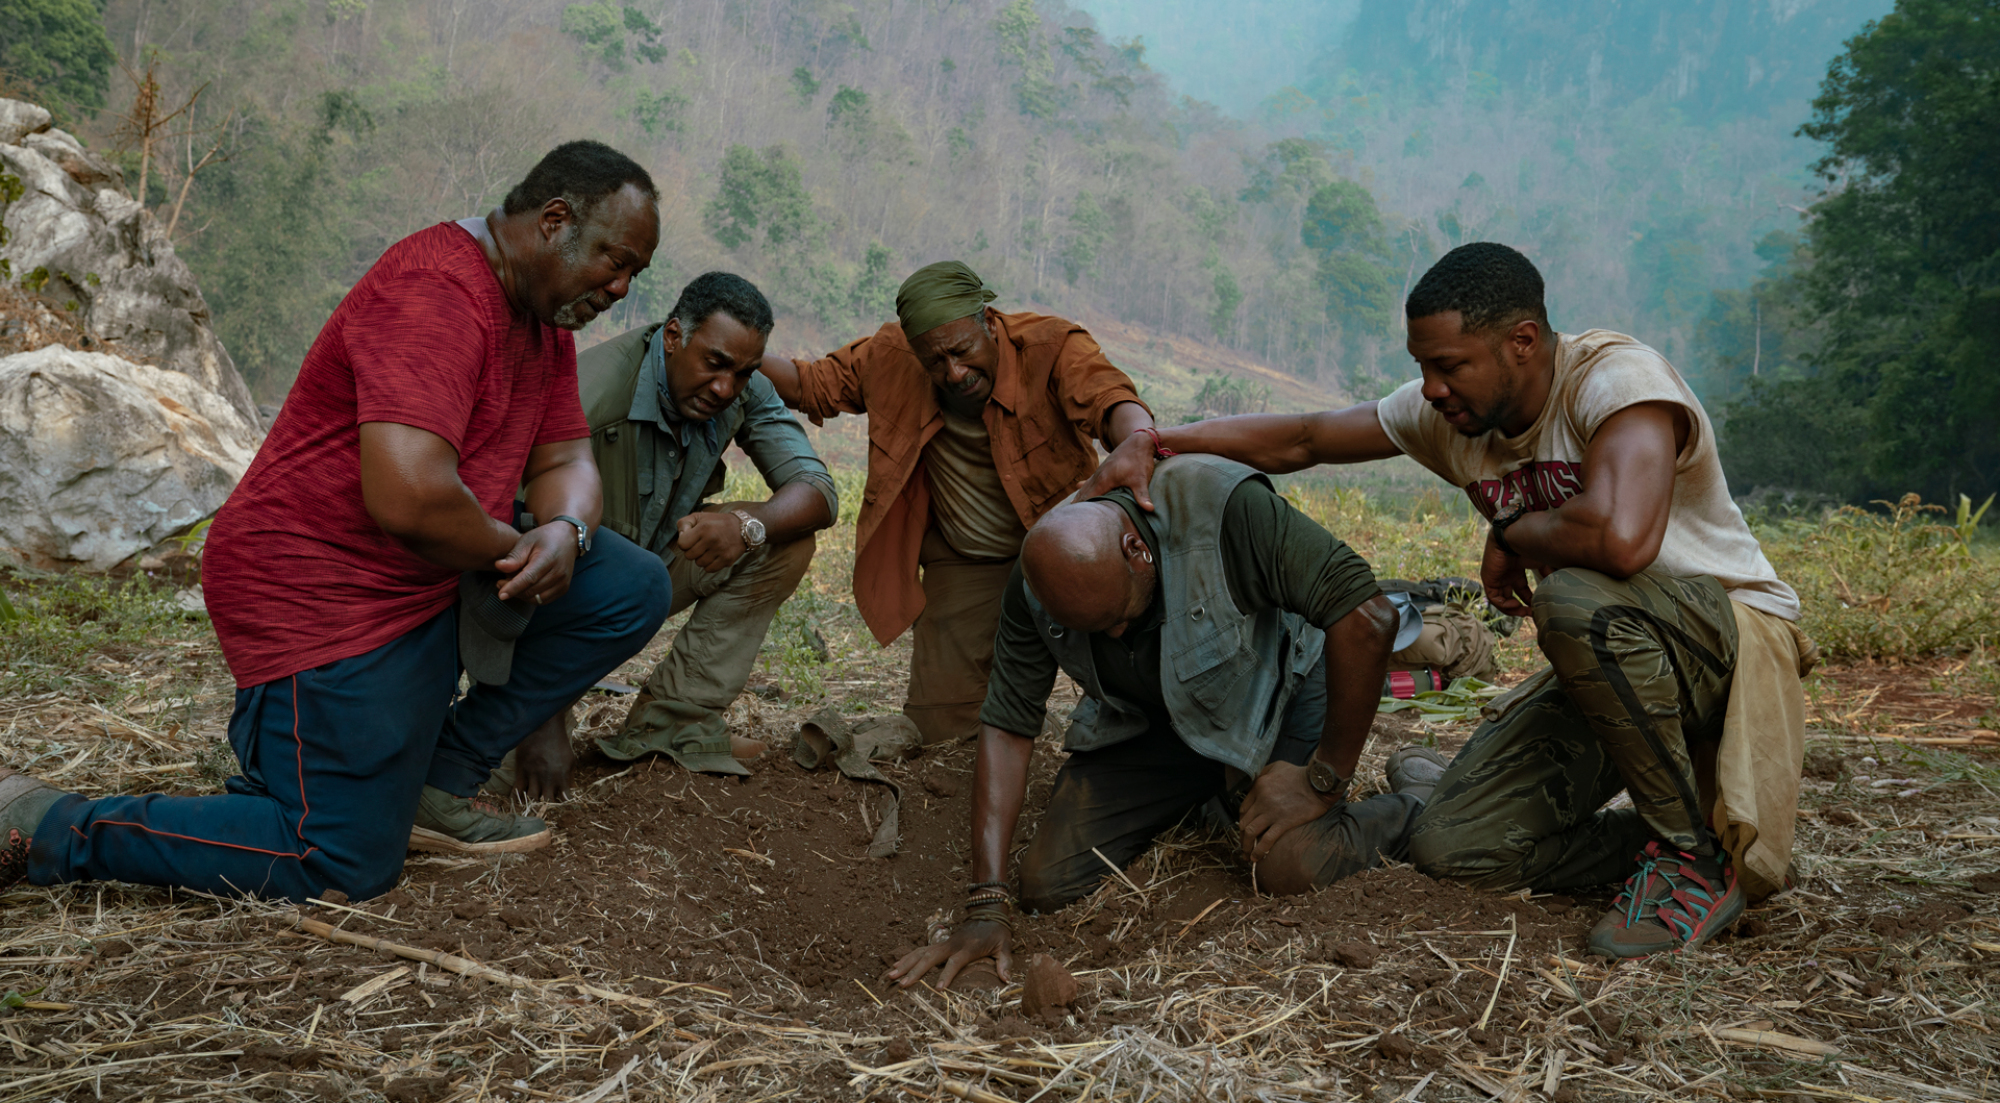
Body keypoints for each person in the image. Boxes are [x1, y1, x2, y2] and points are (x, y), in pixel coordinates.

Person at [1078, 242, 1817, 960]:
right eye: (1422, 367)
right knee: (1455, 845)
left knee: (1575, 603)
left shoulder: (1616, 382)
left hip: (1726, 642)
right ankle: (1665, 839)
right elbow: (1305, 439)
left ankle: (1691, 859)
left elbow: (1624, 542)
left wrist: (1516, 531)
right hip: (1617, 673)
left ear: (1522, 341)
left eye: (1449, 365)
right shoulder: (1454, 418)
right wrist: (1156, 440)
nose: (1432, 387)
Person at [0, 141, 672, 902]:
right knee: (336, 858)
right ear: (555, 221)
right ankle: (49, 824)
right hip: (319, 587)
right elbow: (409, 497)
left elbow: (566, 464)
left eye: (633, 276)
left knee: (628, 584)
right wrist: (517, 546)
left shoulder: (544, 324)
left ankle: (435, 785)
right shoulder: (437, 290)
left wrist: (566, 534)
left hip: (426, 578)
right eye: (614, 262)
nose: (619, 288)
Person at [886, 454, 1435, 989]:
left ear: (1136, 550)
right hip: (1156, 720)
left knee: (1289, 866)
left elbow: (1369, 616)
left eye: (1123, 618)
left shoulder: (1225, 510)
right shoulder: (1038, 578)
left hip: (1278, 691)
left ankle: (1421, 804)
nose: (1118, 639)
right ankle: (1216, 792)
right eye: (1095, 633)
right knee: (1048, 883)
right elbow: (1008, 724)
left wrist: (1322, 778)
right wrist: (986, 901)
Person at [759, 261, 1154, 744]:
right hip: (968, 561)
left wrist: (1137, 439)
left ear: (988, 322)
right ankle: (1016, 718)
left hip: (1069, 552)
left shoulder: (1051, 346)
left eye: (962, 351)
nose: (955, 373)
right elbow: (808, 385)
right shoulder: (891, 356)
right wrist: (739, 350)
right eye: (935, 362)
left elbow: (1109, 399)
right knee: (940, 727)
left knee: (1134, 702)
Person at [494, 271, 835, 782]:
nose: (725, 388)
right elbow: (514, 553)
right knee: (495, 776)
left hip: (644, 576)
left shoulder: (743, 389)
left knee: (781, 541)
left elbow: (817, 490)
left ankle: (672, 722)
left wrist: (748, 525)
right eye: (714, 364)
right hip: (555, 593)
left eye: (742, 373)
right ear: (673, 337)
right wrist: (542, 716)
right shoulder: (590, 395)